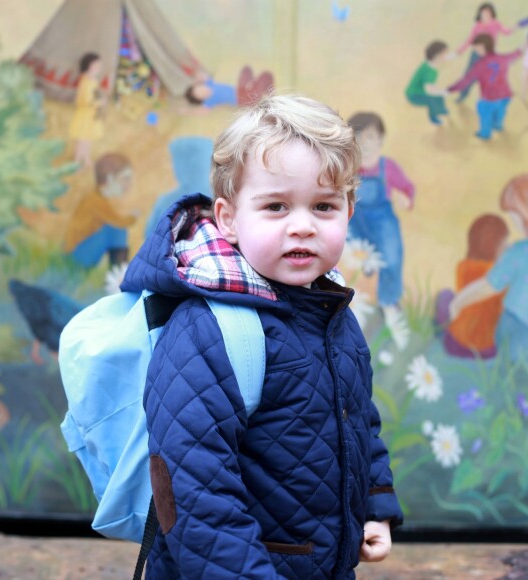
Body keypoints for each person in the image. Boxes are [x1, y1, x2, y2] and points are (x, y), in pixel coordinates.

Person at [120, 95, 403, 578]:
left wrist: (374, 505)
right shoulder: (209, 328)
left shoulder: (332, 310)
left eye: (323, 206)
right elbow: (195, 492)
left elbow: (356, 419)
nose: (302, 227)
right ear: (228, 218)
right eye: (275, 206)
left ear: (349, 211)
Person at [449, 174, 528, 362]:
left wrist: (459, 301)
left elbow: (488, 286)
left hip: (519, 335)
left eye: (514, 215)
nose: (513, 222)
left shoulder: (520, 252)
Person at [347, 112, 416, 317]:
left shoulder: (388, 168)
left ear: (381, 139)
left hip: (383, 222)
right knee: (346, 252)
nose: (364, 144)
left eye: (369, 137)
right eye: (358, 138)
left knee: (392, 257)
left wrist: (405, 198)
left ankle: (389, 302)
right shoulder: (349, 168)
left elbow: (407, 189)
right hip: (356, 220)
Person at [436, 214, 509, 359]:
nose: (508, 248)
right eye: (504, 244)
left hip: (454, 344)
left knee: (445, 295)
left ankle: (440, 329)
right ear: (494, 246)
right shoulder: (499, 278)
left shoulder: (463, 267)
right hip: (487, 352)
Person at [64, 152, 138, 268]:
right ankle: (119, 275)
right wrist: (133, 217)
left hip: (79, 253)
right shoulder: (95, 200)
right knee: (117, 229)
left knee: (116, 229)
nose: (128, 185)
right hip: (75, 257)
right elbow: (118, 221)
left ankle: (118, 274)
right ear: (110, 178)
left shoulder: (97, 198)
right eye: (125, 179)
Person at [448, 34, 522, 140]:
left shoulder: (479, 65)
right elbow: (515, 54)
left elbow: (466, 81)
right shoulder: (503, 58)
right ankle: (498, 126)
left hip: (489, 98)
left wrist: (449, 89)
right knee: (501, 111)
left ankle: (484, 134)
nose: (475, 51)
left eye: (476, 48)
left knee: (485, 116)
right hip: (505, 95)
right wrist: (520, 49)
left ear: (481, 47)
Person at [455, 3, 515, 103]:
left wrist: (514, 27)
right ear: (480, 14)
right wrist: (462, 48)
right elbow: (470, 39)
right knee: (468, 75)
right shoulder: (477, 25)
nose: (485, 16)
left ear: (492, 14)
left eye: (487, 13)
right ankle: (463, 95)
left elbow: (506, 32)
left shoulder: (496, 23)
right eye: (483, 13)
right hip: (475, 55)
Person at [69, 52, 107, 168]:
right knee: (81, 140)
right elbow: (86, 101)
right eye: (97, 65)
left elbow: (93, 95)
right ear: (90, 66)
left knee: (88, 138)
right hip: (85, 115)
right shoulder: (86, 81)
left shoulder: (92, 80)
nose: (99, 67)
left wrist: (100, 99)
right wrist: (99, 102)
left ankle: (85, 158)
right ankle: (76, 160)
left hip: (91, 115)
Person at [405, 40, 450, 125]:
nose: (446, 56)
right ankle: (433, 117)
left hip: (418, 90)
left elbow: (429, 85)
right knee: (433, 99)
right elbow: (429, 90)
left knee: (439, 95)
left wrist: (439, 91)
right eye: (444, 54)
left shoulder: (429, 64)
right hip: (414, 95)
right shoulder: (431, 72)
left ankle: (441, 110)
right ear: (437, 56)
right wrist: (442, 92)